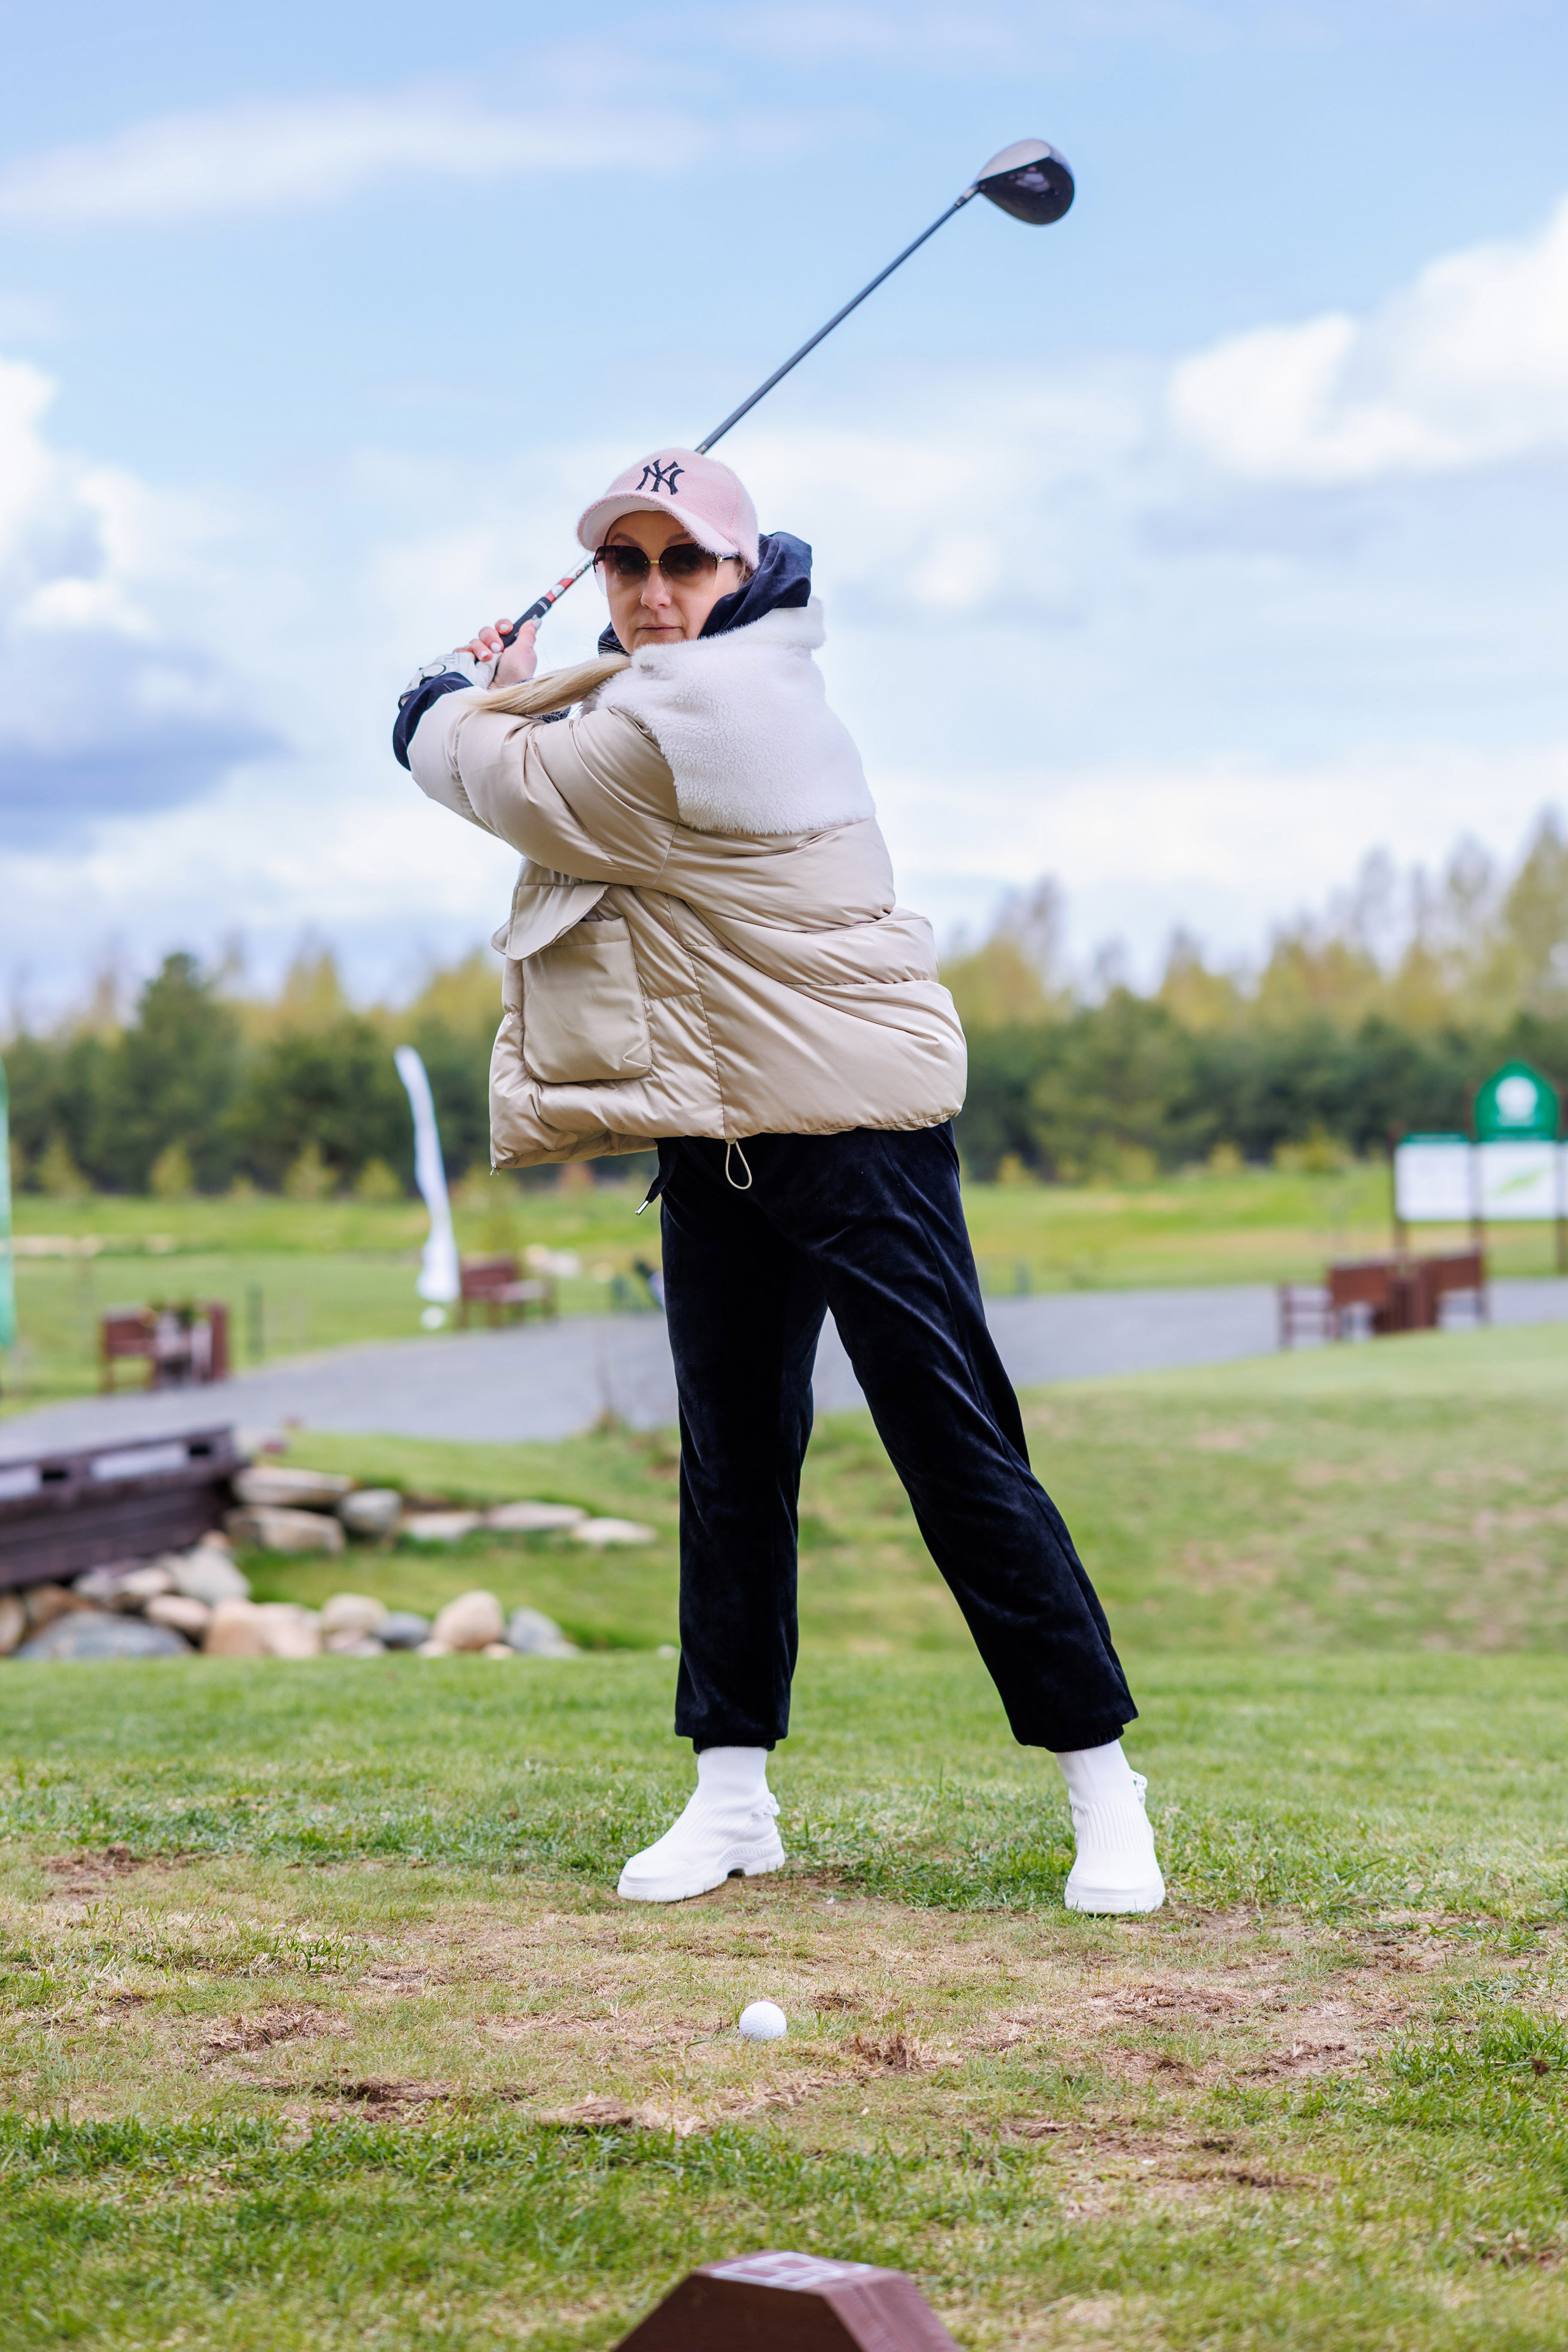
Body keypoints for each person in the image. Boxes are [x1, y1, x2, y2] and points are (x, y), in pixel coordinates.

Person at [394, 447, 1164, 1915]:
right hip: (717, 1139)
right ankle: (731, 1798)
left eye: (684, 563)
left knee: (955, 1453)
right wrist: (507, 682)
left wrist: (436, 699)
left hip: (858, 1138)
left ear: (746, 575)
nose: (653, 592)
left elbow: (517, 782)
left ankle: (1103, 1793)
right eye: (625, 566)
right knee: (731, 1466)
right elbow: (559, 745)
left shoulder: (736, 705)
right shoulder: (651, 691)